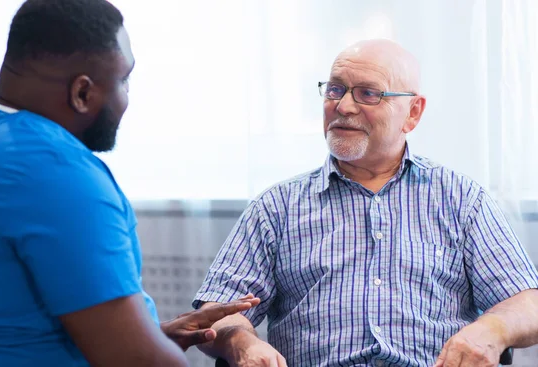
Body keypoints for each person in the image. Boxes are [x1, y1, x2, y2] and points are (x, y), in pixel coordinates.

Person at [0, 1, 259, 366]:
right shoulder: (58, 171)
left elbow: (2, 320)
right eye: (124, 80)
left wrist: (151, 333)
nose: (126, 97)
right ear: (83, 93)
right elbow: (138, 362)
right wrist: (148, 348)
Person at [192, 39, 538, 367]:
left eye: (368, 94)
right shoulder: (276, 207)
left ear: (412, 113)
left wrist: (491, 330)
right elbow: (217, 313)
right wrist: (242, 344)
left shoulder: (462, 199)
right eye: (335, 89)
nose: (342, 106)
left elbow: (528, 304)